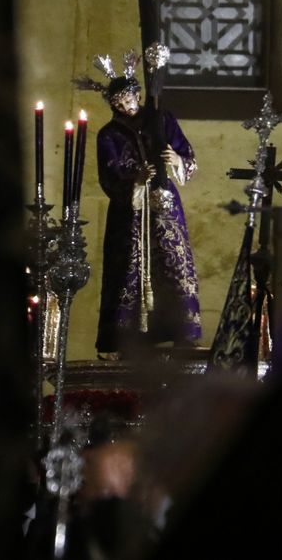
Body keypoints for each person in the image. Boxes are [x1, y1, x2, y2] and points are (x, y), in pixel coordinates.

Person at [77, 53, 202, 356]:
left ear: (137, 94)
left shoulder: (162, 120)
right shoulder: (108, 134)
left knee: (173, 263)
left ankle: (180, 330)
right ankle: (126, 338)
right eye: (118, 104)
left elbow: (187, 156)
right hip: (128, 212)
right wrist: (135, 178)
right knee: (127, 268)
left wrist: (178, 160)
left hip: (165, 205)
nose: (125, 107)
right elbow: (108, 177)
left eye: (128, 100)